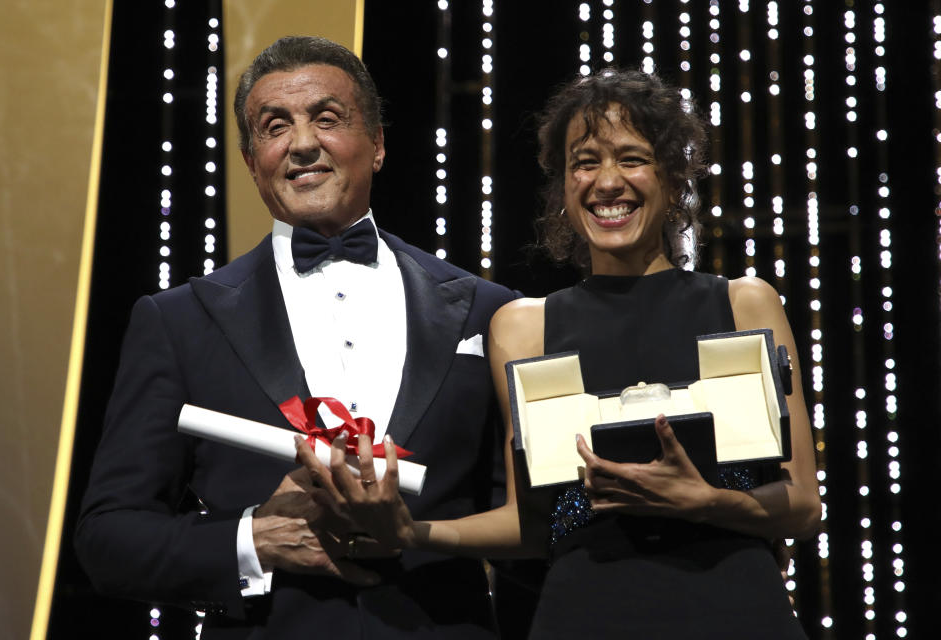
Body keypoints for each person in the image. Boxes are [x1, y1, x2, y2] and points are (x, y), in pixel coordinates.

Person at [298, 69, 822, 638]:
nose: (607, 182)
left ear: (673, 178)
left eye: (631, 158)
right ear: (563, 186)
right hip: (586, 612)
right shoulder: (523, 327)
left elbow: (802, 504)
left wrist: (706, 501)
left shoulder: (746, 303)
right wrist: (409, 532)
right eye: (585, 162)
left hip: (736, 609)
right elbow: (531, 522)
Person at [75, 36, 517, 638]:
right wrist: (251, 539)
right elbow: (107, 538)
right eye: (274, 125)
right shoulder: (179, 320)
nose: (303, 143)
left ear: (379, 144)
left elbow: (542, 518)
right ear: (251, 159)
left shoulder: (489, 312)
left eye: (327, 119)